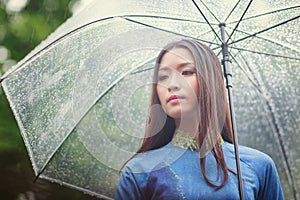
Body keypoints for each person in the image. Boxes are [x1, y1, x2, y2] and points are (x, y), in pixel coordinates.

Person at [114, 39, 284, 199]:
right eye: (163, 77)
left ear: (211, 81)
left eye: (186, 72)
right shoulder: (139, 171)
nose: (171, 84)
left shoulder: (258, 165)